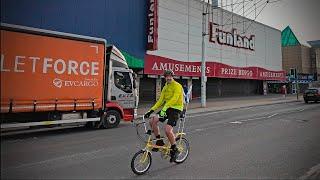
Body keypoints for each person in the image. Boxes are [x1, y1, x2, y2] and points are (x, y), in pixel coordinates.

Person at [144, 69, 184, 162]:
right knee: (152, 121)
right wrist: (151, 111)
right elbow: (160, 101)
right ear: (165, 78)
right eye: (166, 76)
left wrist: (164, 108)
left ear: (172, 77)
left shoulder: (178, 86)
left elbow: (174, 99)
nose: (168, 78)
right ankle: (159, 141)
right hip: (167, 108)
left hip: (176, 109)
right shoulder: (165, 87)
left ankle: (175, 148)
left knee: (167, 130)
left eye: (170, 76)